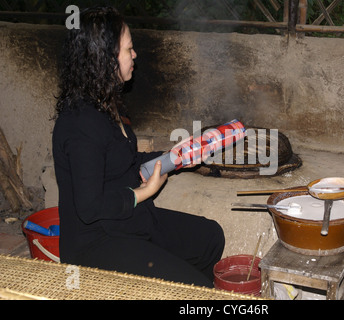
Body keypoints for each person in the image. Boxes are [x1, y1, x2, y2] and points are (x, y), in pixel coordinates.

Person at [52, 6, 225, 288]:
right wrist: (144, 192)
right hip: (96, 243)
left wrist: (177, 157)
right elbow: (88, 207)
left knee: (210, 237)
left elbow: (127, 162)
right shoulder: (80, 124)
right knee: (196, 289)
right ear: (105, 60)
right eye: (128, 49)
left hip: (128, 220)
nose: (135, 55)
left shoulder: (104, 103)